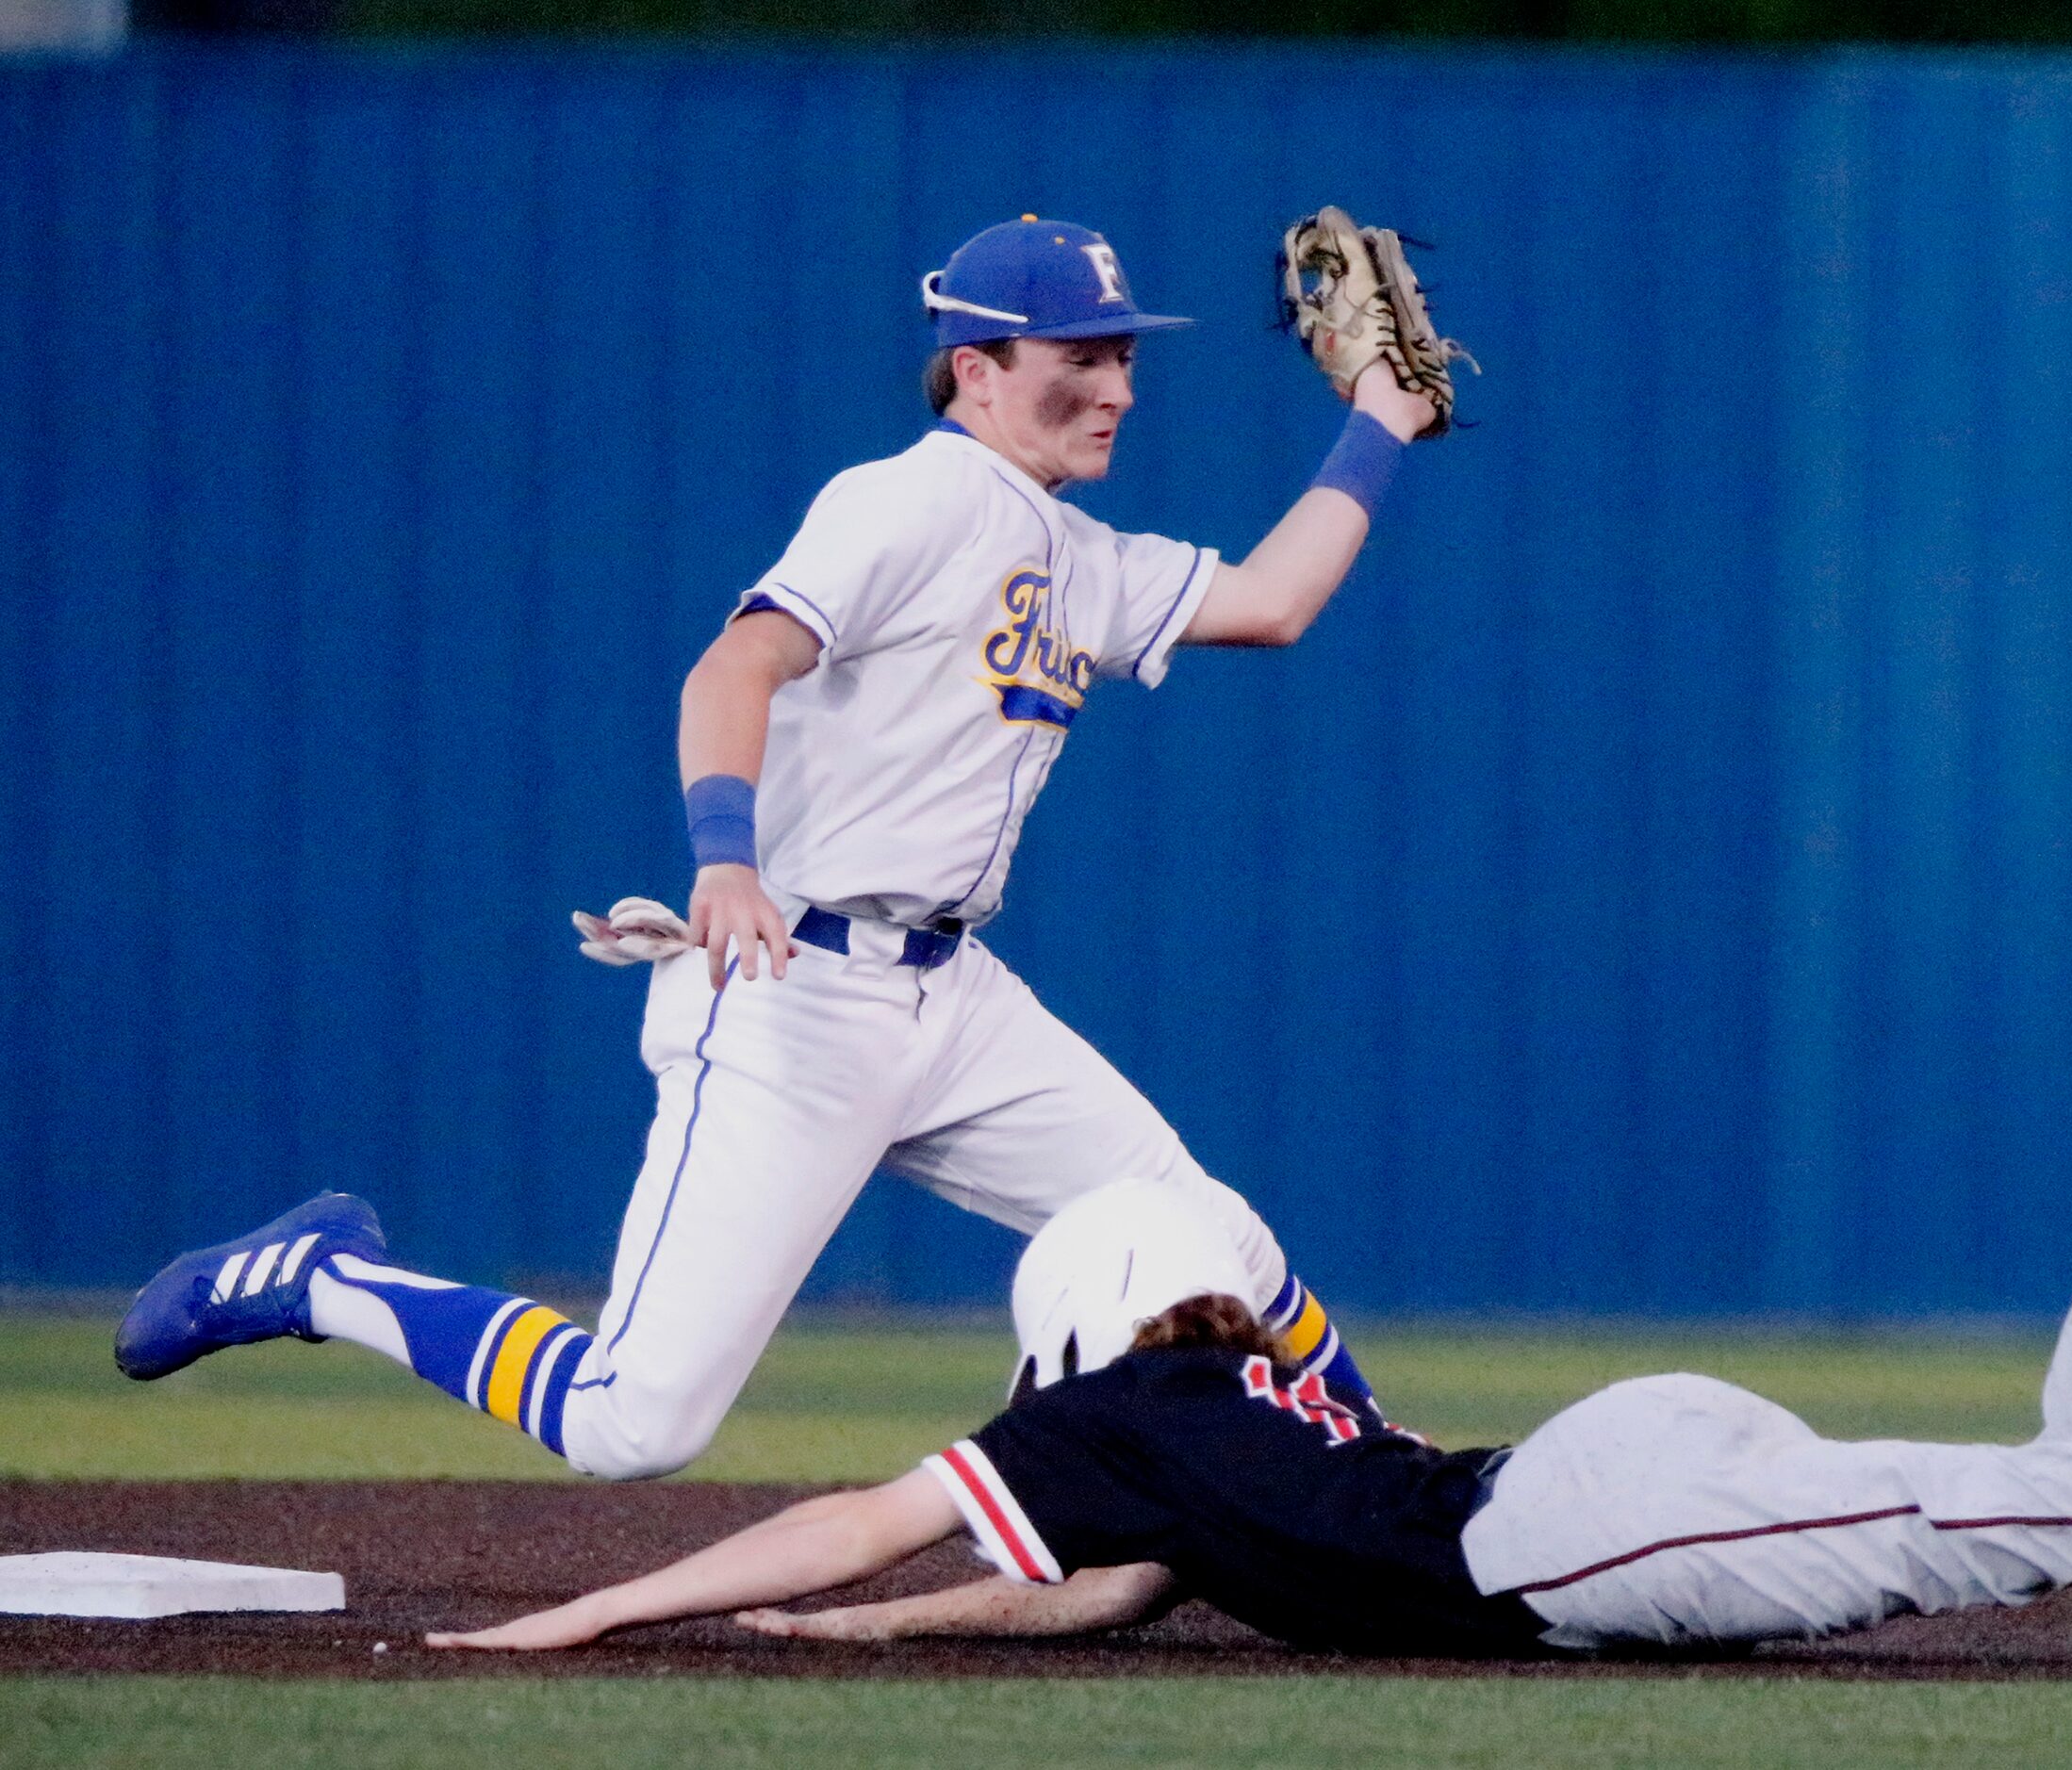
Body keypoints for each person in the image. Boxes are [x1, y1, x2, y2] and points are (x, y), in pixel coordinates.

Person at [112, 215, 1440, 1477]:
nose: (1116, 388)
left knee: (1219, 1240)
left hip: (953, 995)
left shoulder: (1079, 550)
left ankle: (1387, 1485)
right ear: (976, 370)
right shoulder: (902, 501)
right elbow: (733, 664)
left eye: (1124, 356)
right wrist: (723, 855)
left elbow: (1271, 602)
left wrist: (1380, 421)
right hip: (789, 989)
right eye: (1079, 357)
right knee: (629, 1422)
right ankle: (318, 1276)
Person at [424, 979, 2072, 1662]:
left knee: (1995, 1524)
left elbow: (852, 1513)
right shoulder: (1210, 1421)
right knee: (2034, 1495)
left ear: (1064, 1315)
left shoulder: (1116, 1415)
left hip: (1561, 1544)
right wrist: (877, 1640)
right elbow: (1093, 1607)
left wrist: (599, 1620)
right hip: (1597, 1458)